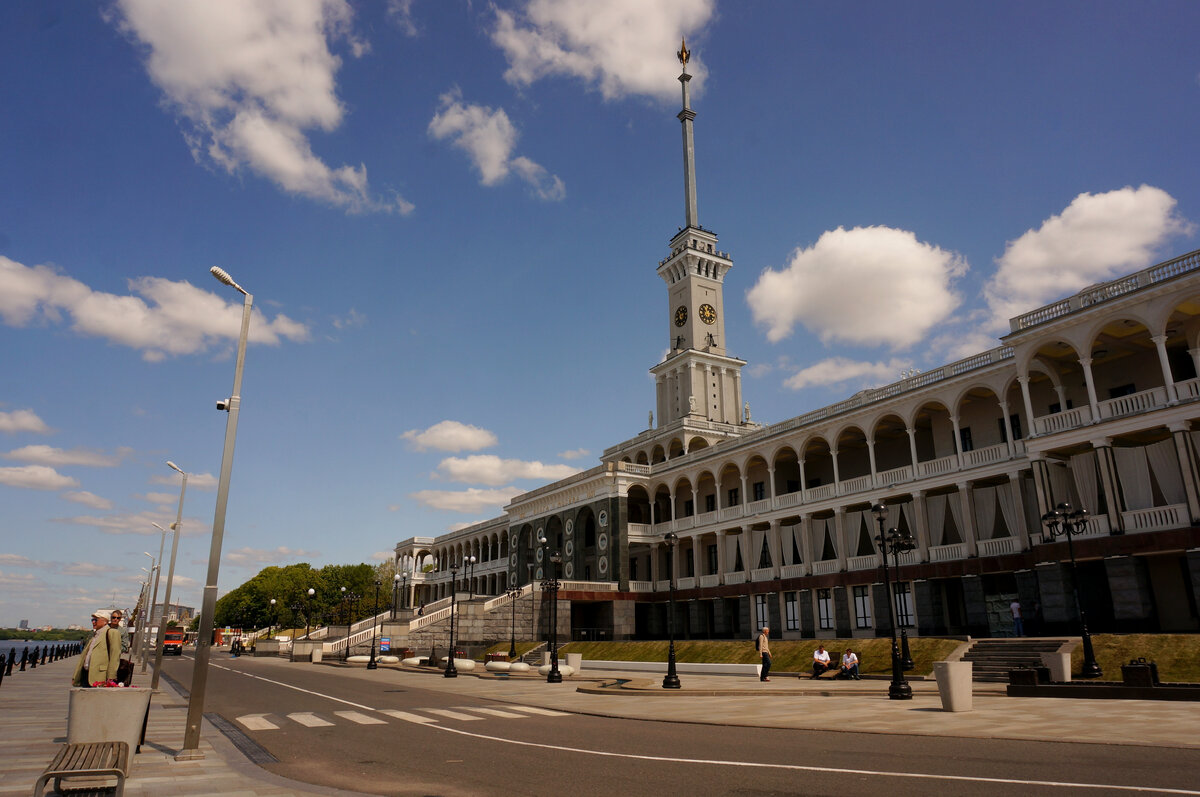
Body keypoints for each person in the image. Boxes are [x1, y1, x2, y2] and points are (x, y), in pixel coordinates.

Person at [73, 610, 123, 687]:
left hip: (99, 677)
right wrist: (76, 676)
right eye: (92, 620)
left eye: (96, 620)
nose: (93, 622)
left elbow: (115, 656)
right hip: (86, 675)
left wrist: (111, 677)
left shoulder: (112, 633)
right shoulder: (95, 634)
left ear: (105, 622)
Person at [109, 610, 133, 686]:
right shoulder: (105, 628)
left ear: (120, 619)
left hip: (114, 658)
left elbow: (125, 647)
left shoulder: (122, 631)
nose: (115, 619)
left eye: (118, 618)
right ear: (111, 618)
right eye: (113, 617)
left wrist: (115, 649)